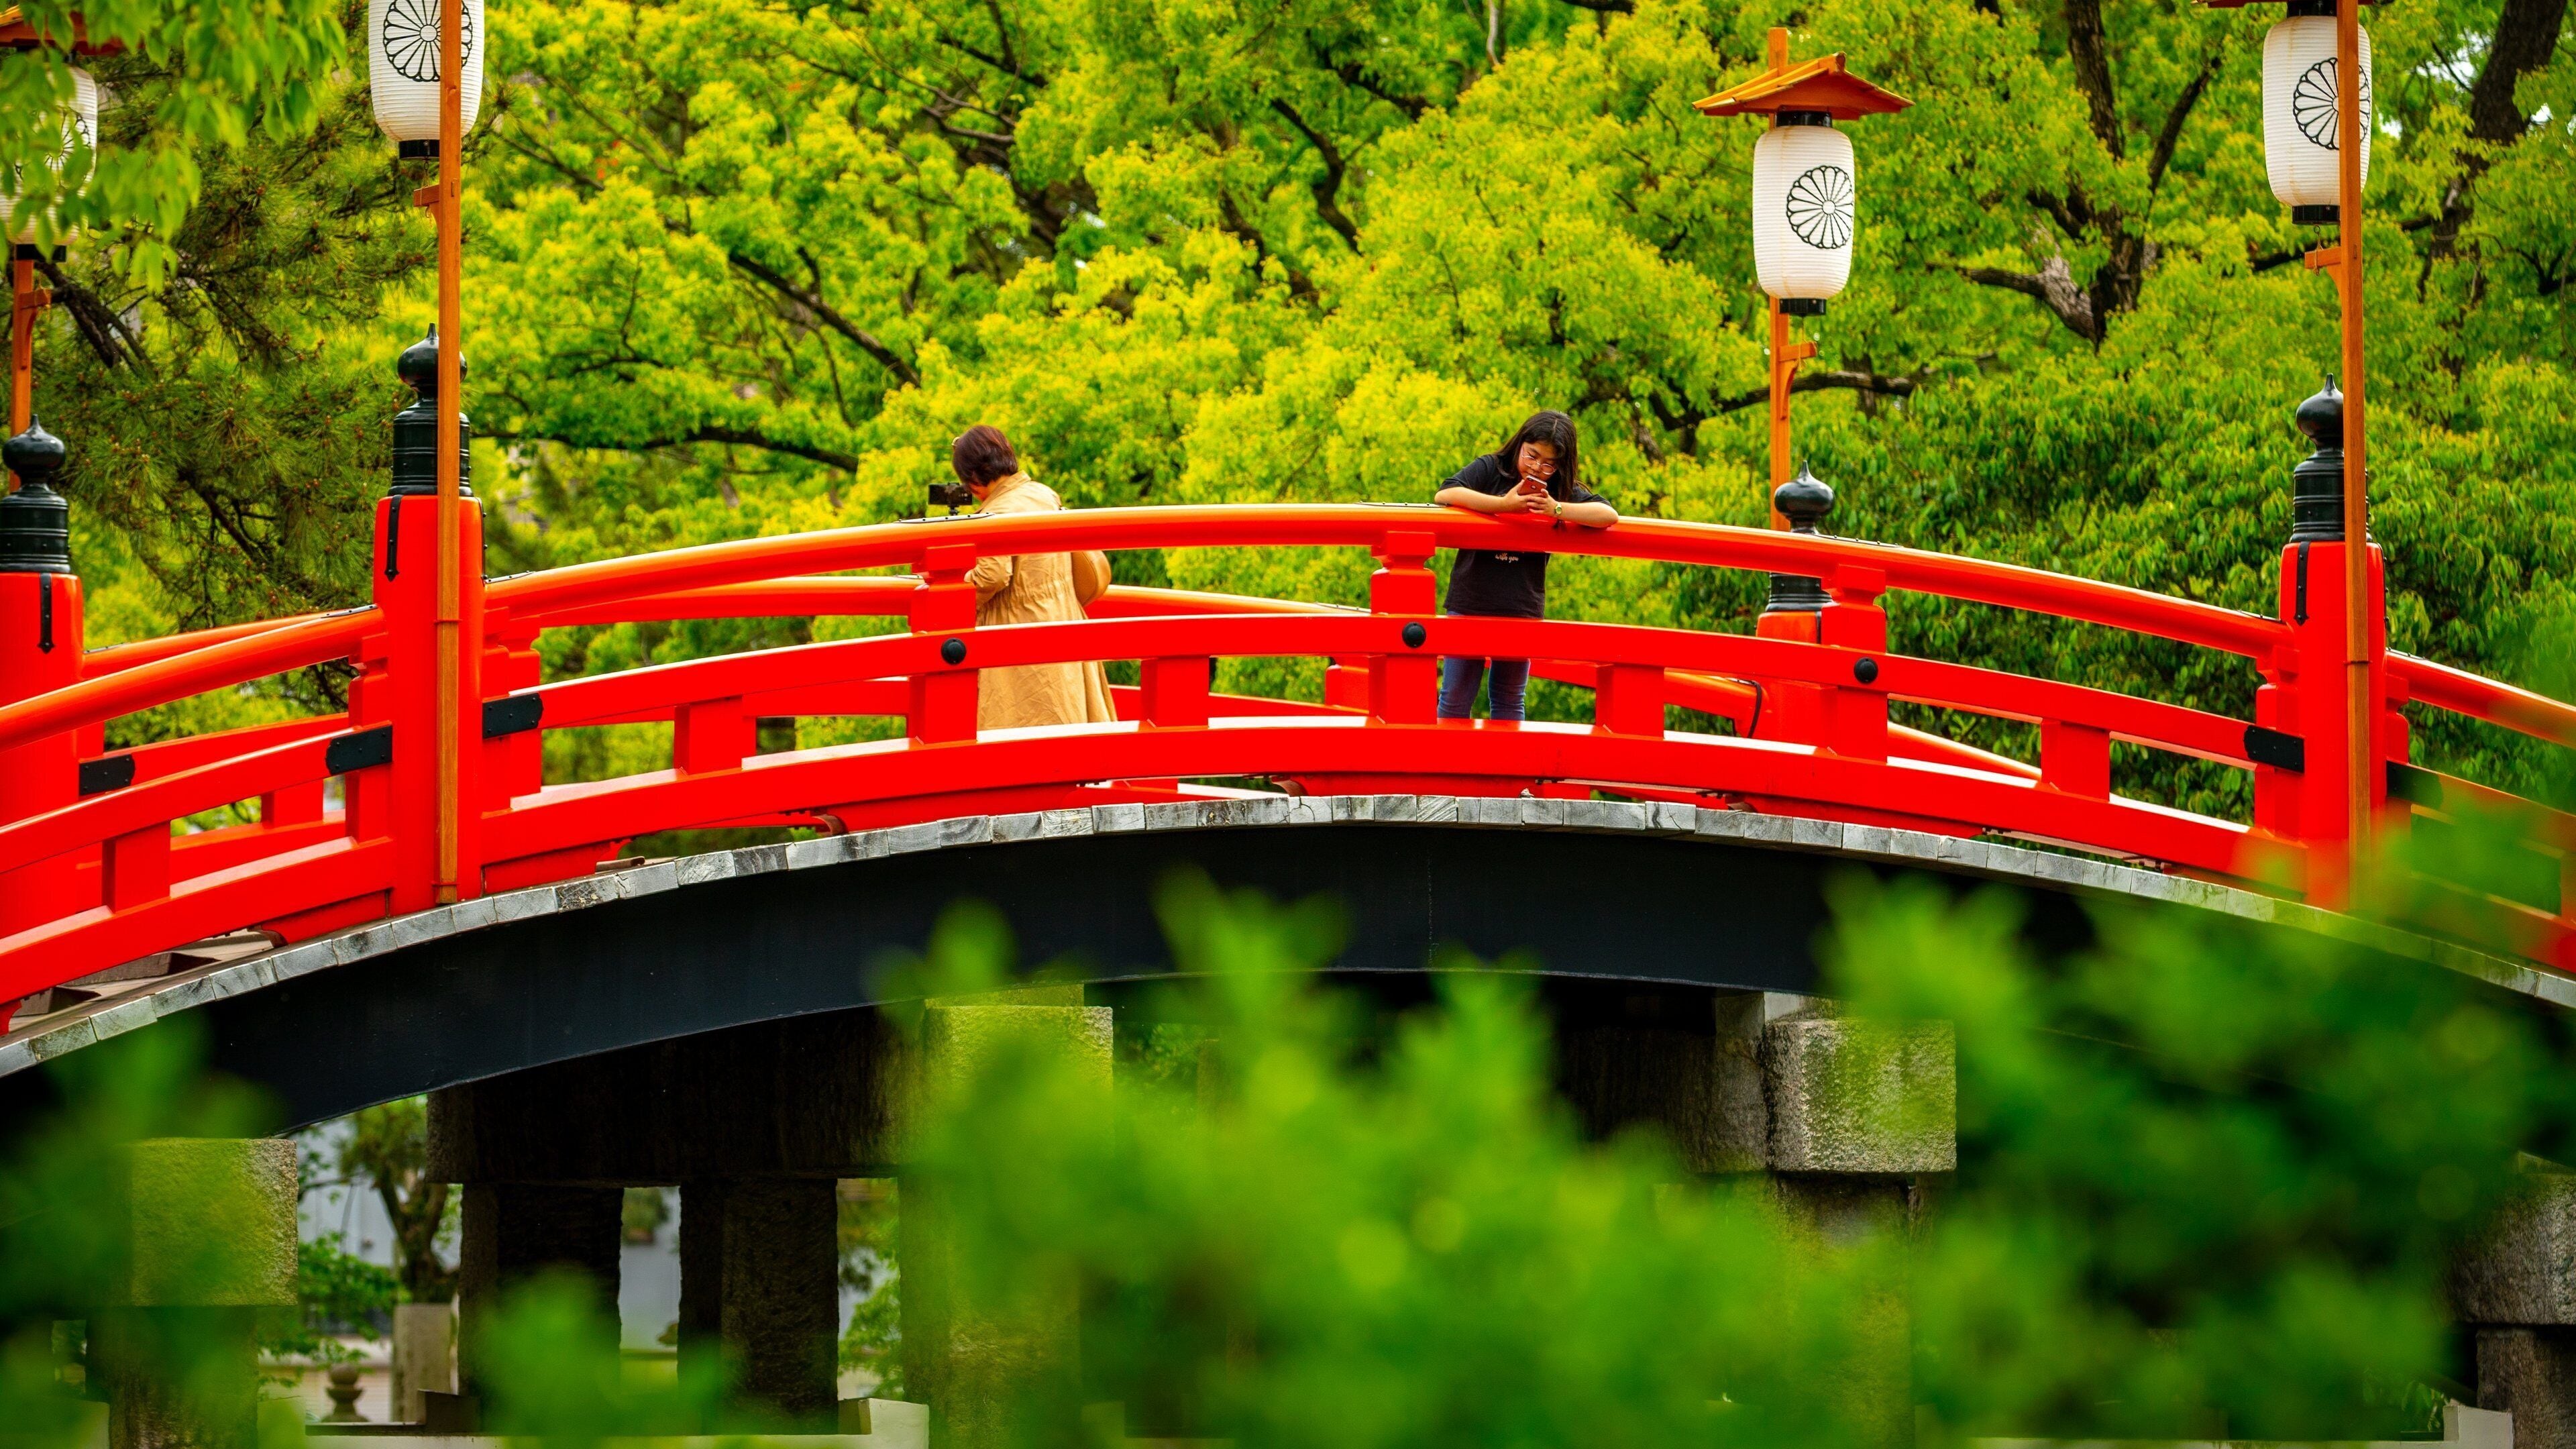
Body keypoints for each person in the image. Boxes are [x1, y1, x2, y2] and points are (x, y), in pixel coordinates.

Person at [1429, 410, 1618, 722]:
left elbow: (1607, 515)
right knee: (1455, 697)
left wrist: (1556, 509)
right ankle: (1448, 769)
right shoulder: (1492, 468)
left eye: (1548, 463)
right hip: (1471, 599)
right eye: (1532, 456)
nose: (1537, 468)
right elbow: (1446, 493)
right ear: (1520, 444)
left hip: (1521, 606)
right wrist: (1504, 506)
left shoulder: (1556, 488)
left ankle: (1508, 771)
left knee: (1509, 698)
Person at [949, 424, 1118, 731]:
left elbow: (992, 576)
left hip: (1019, 628)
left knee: (1024, 723)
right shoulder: (1042, 494)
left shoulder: (996, 513)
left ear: (973, 478)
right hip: (1063, 618)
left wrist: (952, 588)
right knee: (1066, 715)